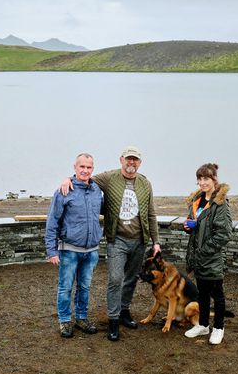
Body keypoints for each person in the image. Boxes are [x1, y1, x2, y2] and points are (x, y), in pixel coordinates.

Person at [61, 146, 161, 341]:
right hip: (118, 239)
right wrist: (68, 179)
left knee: (131, 279)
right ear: (121, 160)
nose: (131, 163)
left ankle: (124, 311)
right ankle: (113, 320)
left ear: (139, 163)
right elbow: (85, 177)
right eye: (128, 159)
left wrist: (156, 241)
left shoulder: (145, 183)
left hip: (140, 240)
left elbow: (151, 213)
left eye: (135, 160)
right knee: (115, 279)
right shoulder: (109, 178)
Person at [45, 153, 104, 338]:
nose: (85, 170)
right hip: (69, 250)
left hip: (91, 251)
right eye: (82, 167)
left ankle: (81, 317)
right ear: (75, 168)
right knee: (65, 287)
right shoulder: (64, 191)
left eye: (89, 167)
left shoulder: (96, 190)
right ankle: (64, 321)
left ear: (92, 169)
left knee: (84, 287)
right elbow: (52, 222)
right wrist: (51, 251)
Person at [182, 163, 233, 345]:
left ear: (214, 180)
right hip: (198, 258)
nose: (202, 182)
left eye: (206, 179)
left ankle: (218, 327)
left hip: (211, 258)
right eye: (200, 179)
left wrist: (203, 251)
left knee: (216, 293)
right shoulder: (198, 201)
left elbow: (224, 234)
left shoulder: (220, 204)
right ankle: (203, 325)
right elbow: (196, 226)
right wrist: (188, 227)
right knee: (201, 292)